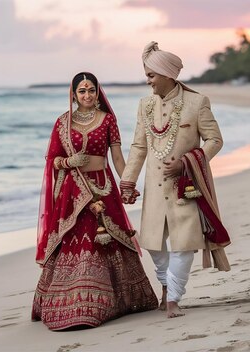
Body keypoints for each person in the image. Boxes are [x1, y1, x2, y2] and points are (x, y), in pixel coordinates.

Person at [31, 72, 158, 330]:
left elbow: (118, 159)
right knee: (79, 240)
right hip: (73, 193)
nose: (87, 95)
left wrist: (129, 183)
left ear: (97, 92)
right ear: (74, 94)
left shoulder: (108, 120)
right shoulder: (62, 123)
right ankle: (74, 306)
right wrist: (69, 162)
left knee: (109, 238)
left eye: (91, 90)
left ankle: (118, 302)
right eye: (82, 91)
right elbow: (53, 161)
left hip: (104, 187)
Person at [120, 42, 231, 319]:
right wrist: (128, 181)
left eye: (151, 75)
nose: (148, 82)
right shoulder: (145, 105)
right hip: (155, 189)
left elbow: (215, 140)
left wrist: (187, 162)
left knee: (184, 242)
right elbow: (139, 147)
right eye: (147, 75)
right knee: (154, 244)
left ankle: (173, 299)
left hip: (187, 187)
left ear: (167, 74)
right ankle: (167, 287)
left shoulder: (197, 102)